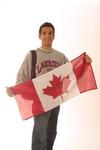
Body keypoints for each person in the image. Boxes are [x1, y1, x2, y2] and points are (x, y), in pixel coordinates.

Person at [6, 22, 92, 150]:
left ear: (54, 36)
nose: (47, 36)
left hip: (55, 100)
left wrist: (85, 64)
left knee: (51, 132)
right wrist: (15, 89)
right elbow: (22, 76)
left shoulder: (60, 56)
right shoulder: (32, 55)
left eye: (50, 33)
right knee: (40, 135)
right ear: (39, 36)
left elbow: (72, 74)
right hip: (39, 101)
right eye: (44, 33)